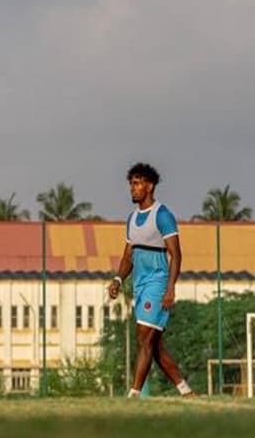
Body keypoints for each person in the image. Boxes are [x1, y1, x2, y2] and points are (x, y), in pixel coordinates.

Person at [107, 162, 195, 397]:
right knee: (154, 346)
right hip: (139, 284)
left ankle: (134, 394)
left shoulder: (163, 215)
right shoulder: (132, 218)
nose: (132, 188)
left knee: (143, 337)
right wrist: (117, 279)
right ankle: (185, 391)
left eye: (136, 184)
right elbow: (128, 256)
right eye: (131, 184)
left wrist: (170, 290)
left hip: (158, 282)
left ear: (150, 185)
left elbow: (176, 255)